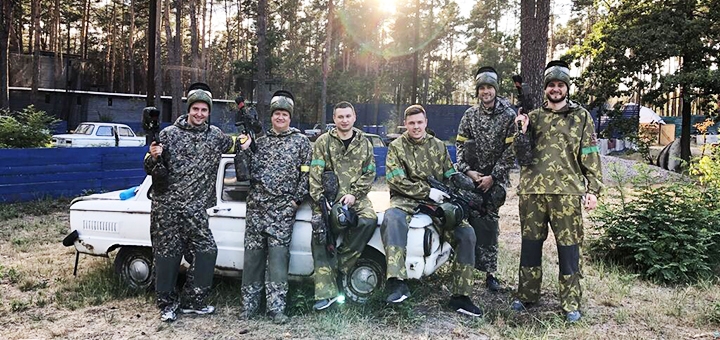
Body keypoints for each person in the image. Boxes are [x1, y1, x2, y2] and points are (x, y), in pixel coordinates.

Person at [512, 60, 603, 322]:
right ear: (545, 89)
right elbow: (521, 157)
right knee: (530, 247)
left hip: (567, 193)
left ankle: (570, 303)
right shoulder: (534, 117)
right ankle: (527, 295)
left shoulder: (581, 117)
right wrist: (522, 131)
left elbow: (589, 154)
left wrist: (593, 188)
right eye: (551, 84)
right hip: (532, 193)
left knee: (569, 249)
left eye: (560, 85)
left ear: (566, 88)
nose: (555, 89)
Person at [143, 85, 235, 322]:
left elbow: (234, 143)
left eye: (204, 110)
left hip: (196, 209)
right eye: (196, 108)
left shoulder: (215, 136)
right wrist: (153, 156)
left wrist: (245, 141)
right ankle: (167, 305)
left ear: (209, 112)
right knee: (167, 257)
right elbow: (149, 166)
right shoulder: (169, 134)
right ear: (189, 109)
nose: (199, 114)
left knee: (207, 251)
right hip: (167, 208)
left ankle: (193, 301)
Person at [382, 104, 482, 317]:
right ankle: (396, 283)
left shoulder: (438, 146)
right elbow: (396, 180)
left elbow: (449, 174)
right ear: (405, 125)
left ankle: (461, 297)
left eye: (419, 122)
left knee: (466, 233)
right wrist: (427, 192)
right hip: (406, 200)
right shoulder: (397, 147)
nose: (416, 127)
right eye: (411, 123)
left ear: (426, 123)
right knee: (392, 218)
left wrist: (459, 186)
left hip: (437, 203)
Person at [237, 90, 311, 324]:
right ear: (271, 116)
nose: (280, 118)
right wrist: (244, 148)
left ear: (290, 117)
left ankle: (276, 309)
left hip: (282, 212)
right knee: (253, 261)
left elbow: (307, 174)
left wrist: (296, 201)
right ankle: (249, 307)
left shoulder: (301, 142)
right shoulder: (259, 141)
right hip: (257, 210)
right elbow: (244, 172)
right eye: (277, 113)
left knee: (278, 262)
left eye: (284, 114)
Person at [308, 101, 378, 311]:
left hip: (355, 199)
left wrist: (354, 195)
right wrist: (321, 201)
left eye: (348, 116)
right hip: (328, 200)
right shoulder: (323, 142)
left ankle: (340, 266)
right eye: (340, 117)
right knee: (320, 235)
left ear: (354, 117)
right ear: (334, 118)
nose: (344, 120)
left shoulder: (364, 143)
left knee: (369, 220)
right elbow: (315, 173)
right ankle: (325, 294)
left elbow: (370, 173)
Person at [455, 66, 517, 292]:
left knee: (489, 224)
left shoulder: (509, 116)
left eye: (489, 87)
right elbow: (460, 145)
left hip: (495, 182)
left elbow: (512, 151)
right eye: (482, 88)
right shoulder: (470, 115)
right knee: (469, 223)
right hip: (472, 180)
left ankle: (490, 273)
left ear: (496, 89)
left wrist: (493, 176)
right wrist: (468, 171)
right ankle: (466, 270)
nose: (486, 92)